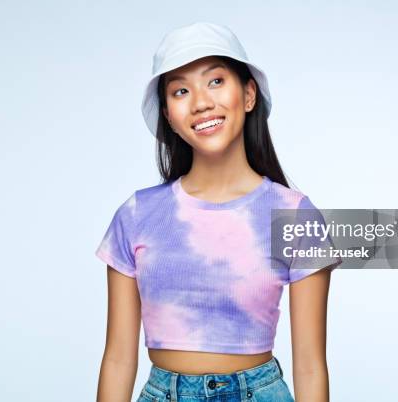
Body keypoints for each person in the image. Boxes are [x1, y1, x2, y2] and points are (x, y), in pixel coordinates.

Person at [95, 22, 342, 402]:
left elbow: (310, 365)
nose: (200, 102)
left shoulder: (294, 216)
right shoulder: (136, 214)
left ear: (248, 94)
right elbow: (117, 359)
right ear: (169, 115)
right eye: (181, 90)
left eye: (215, 81)